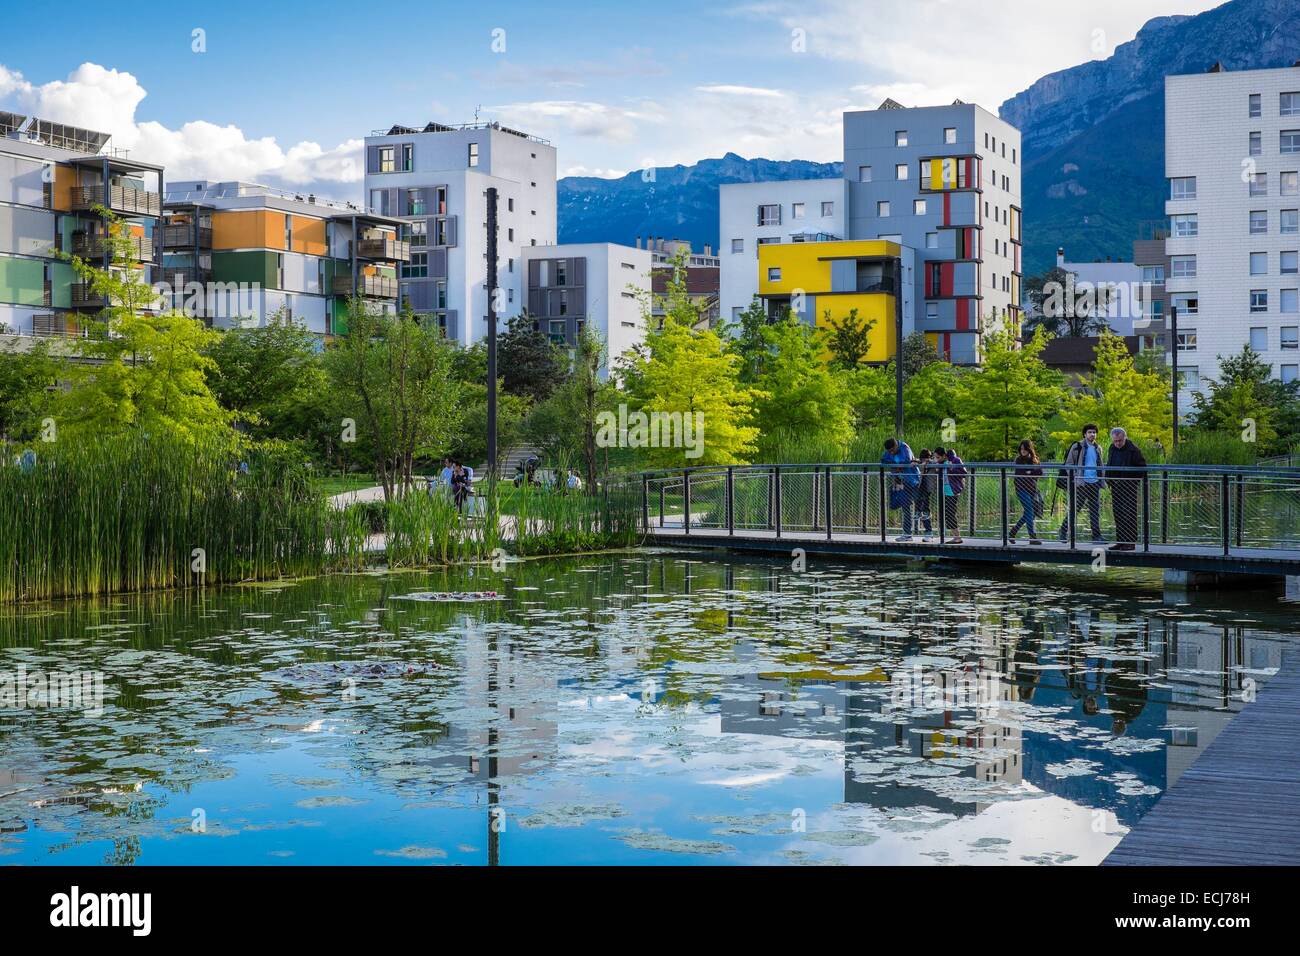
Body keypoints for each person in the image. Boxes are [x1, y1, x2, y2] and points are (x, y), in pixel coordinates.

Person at [1056, 424, 1105, 543]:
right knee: (1075, 509)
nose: (1092, 434)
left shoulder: (1098, 448)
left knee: (1094, 511)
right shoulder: (1077, 446)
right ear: (1084, 434)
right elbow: (1068, 465)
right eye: (1089, 432)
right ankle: (1063, 531)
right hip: (1081, 484)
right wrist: (1076, 478)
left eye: (1094, 432)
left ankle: (1096, 536)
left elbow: (1100, 465)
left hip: (1095, 483)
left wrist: (1102, 480)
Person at [1105, 426, 1146, 551]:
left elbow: (1142, 467)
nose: (1117, 443)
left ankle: (1130, 542)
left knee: (1129, 514)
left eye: (1120, 441)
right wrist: (1109, 480)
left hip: (1129, 486)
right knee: (1118, 514)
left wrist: (1132, 481)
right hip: (1116, 486)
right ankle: (1121, 541)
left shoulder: (1133, 450)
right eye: (1115, 441)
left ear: (1125, 438)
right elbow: (1109, 464)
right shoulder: (1112, 448)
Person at [882, 437, 921, 541]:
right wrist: (896, 466)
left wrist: (896, 465)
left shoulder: (904, 447)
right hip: (901, 481)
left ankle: (928, 533)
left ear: (896, 445)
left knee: (921, 506)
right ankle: (907, 534)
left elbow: (906, 460)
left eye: (892, 450)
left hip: (911, 480)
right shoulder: (890, 451)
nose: (891, 453)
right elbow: (883, 460)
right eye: (889, 451)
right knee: (905, 507)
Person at [1009, 439, 1044, 544]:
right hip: (1021, 489)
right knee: (1029, 511)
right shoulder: (1019, 460)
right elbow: (1021, 473)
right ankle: (1032, 537)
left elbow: (1040, 472)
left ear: (1029, 449)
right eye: (1021, 449)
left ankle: (1013, 531)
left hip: (1032, 489)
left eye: (1025, 449)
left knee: (1031, 514)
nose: (1022, 451)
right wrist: (1031, 472)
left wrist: (1030, 472)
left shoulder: (1034, 459)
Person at [935, 446, 966, 543]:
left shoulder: (955, 460)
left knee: (951, 514)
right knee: (947, 514)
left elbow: (963, 473)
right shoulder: (940, 463)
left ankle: (957, 537)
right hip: (944, 491)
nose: (937, 459)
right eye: (935, 457)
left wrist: (951, 467)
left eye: (938, 457)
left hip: (953, 491)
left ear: (944, 456)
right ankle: (955, 536)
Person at [914, 449, 937, 542]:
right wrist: (918, 462)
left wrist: (927, 462)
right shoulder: (921, 463)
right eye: (923, 458)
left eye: (926, 458)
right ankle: (918, 512)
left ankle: (929, 533)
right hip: (920, 487)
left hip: (927, 489)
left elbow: (935, 463)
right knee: (919, 505)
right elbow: (916, 461)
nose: (924, 460)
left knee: (925, 509)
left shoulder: (932, 463)